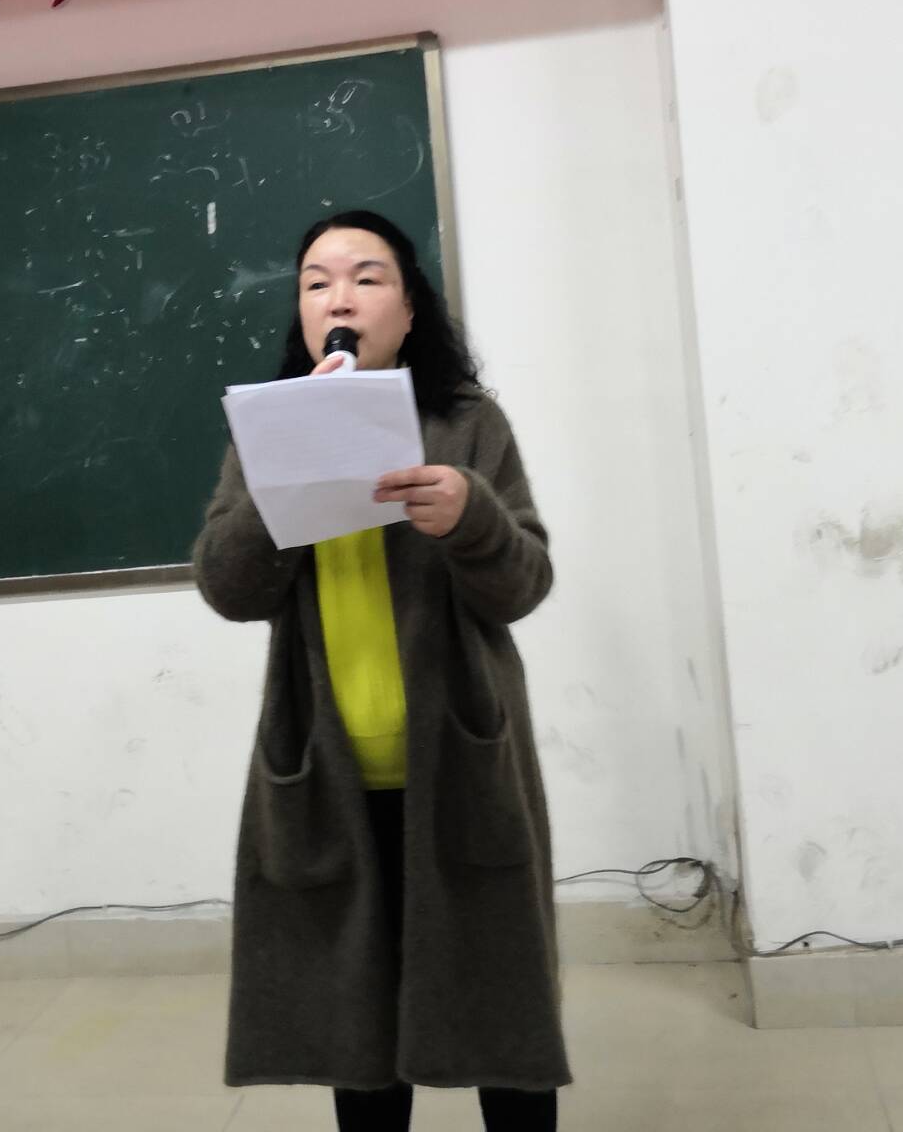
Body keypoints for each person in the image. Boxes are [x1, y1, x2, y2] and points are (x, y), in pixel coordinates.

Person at [193, 209, 569, 1131]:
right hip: (326, 775)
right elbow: (229, 590)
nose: (341, 299)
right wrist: (282, 480)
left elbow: (524, 584)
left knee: (501, 1016)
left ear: (408, 310)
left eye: (367, 278)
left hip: (461, 762)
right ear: (301, 314)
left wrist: (471, 519)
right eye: (317, 283)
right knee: (354, 1031)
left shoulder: (468, 424)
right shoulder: (266, 431)